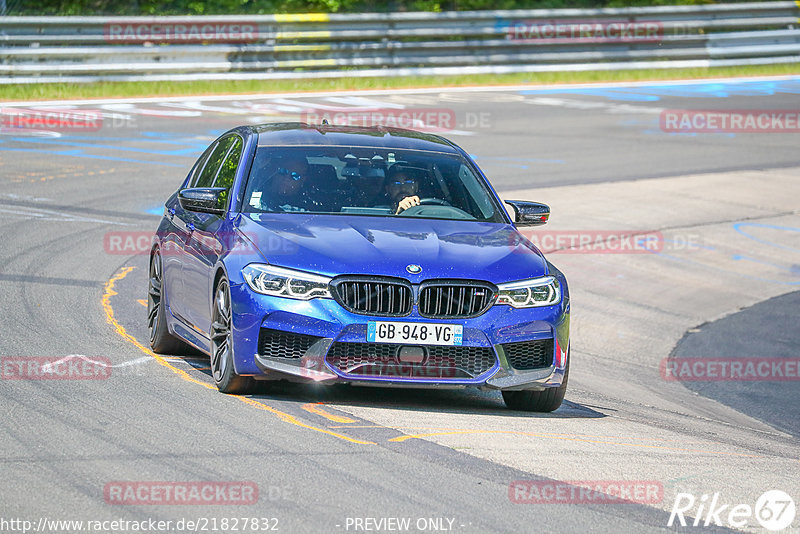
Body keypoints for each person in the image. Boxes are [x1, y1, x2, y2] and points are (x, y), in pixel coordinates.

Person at [257, 155, 325, 212]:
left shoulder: (308, 209)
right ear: (275, 173)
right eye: (283, 172)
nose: (287, 178)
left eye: (295, 176)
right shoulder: (254, 194)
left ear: (303, 180)